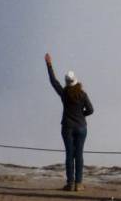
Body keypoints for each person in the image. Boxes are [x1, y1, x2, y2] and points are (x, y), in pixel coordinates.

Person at [45, 52, 94, 191]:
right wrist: (82, 115)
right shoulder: (82, 94)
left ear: (67, 82)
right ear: (76, 81)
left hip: (67, 126)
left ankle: (70, 183)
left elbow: (53, 81)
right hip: (81, 127)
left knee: (69, 154)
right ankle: (79, 184)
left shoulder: (64, 94)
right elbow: (91, 110)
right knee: (79, 154)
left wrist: (49, 65)